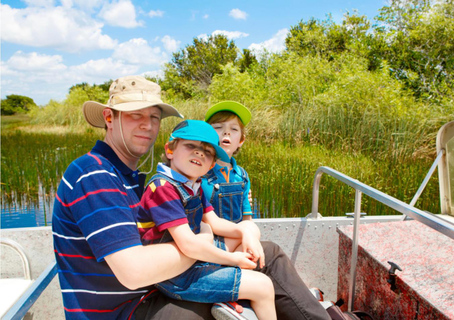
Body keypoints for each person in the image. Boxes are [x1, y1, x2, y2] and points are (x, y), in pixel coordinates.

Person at [52, 74, 331, 320]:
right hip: (129, 309)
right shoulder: (93, 174)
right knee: (246, 283)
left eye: (154, 117)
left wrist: (234, 241)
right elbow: (133, 272)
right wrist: (204, 242)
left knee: (265, 253)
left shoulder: (130, 176)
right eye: (135, 115)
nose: (147, 126)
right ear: (109, 118)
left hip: (155, 289)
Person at [136, 120, 276, 320]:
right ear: (169, 150)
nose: (199, 153)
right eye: (191, 146)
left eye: (207, 152)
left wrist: (246, 231)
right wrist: (233, 259)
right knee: (263, 286)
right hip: (173, 275)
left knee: (245, 232)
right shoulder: (163, 187)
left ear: (210, 165)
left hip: (192, 260)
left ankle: (229, 295)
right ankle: (236, 291)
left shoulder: (193, 185)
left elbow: (214, 222)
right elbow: (188, 245)